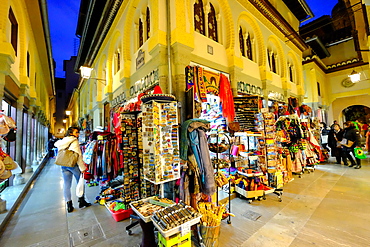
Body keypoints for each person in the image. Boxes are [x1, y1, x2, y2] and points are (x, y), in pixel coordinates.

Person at [54, 127, 91, 213]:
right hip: (73, 165)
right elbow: (78, 156)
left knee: (67, 185)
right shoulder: (74, 141)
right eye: (76, 132)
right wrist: (82, 168)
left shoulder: (62, 141)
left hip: (63, 165)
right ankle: (81, 201)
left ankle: (69, 205)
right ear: (71, 133)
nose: (78, 134)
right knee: (80, 183)